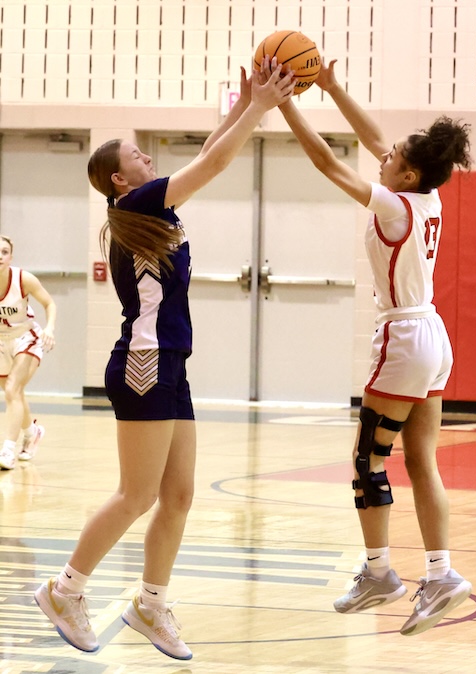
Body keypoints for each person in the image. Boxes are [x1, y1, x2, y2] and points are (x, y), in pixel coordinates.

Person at [34, 60, 295, 660]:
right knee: (136, 495)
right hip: (144, 363)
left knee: (177, 496)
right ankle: (64, 591)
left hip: (170, 362)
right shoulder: (140, 201)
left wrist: (244, 105)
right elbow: (216, 162)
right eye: (137, 154)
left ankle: (151, 604)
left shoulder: (149, 205)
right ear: (119, 178)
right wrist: (261, 108)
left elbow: (207, 153)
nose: (148, 157)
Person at [275, 59, 473, 636]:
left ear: (407, 174)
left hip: (403, 337)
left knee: (368, 460)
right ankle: (440, 574)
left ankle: (379, 571)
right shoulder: (426, 198)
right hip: (433, 335)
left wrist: (284, 103)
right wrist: (334, 88)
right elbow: (377, 141)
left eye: (392, 159)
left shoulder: (392, 203)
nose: (381, 157)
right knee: (422, 461)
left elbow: (326, 161)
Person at [0, 235, 55, 470]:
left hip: (26, 338)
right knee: (15, 394)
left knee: (12, 389)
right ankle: (32, 433)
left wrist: (49, 328)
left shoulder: (23, 279)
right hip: (2, 342)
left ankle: (7, 451)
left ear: (11, 257)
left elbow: (50, 303)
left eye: (4, 252)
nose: (0, 256)